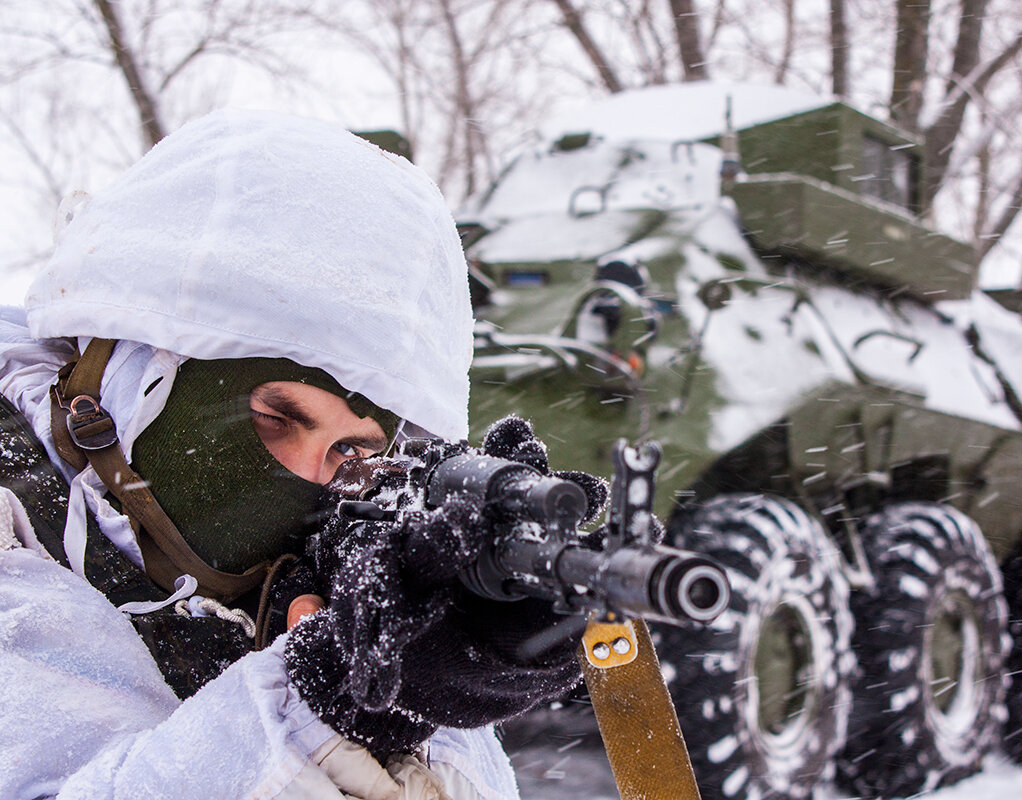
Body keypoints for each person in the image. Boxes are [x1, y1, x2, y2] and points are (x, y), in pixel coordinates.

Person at [0, 109, 596, 799]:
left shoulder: (287, 573)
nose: (307, 476)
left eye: (350, 451)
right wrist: (320, 702)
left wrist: (416, 703)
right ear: (119, 373)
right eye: (277, 417)